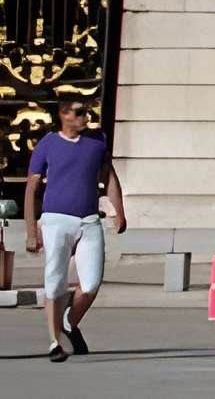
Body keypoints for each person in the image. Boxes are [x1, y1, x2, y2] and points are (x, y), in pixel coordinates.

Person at [23, 97, 128, 361]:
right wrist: (31, 231)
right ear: (64, 115)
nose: (86, 117)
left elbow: (109, 176)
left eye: (87, 112)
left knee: (91, 282)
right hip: (56, 219)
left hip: (89, 219)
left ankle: (69, 320)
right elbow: (32, 188)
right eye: (80, 113)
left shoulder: (97, 142)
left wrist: (119, 211)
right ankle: (54, 342)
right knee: (55, 280)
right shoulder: (47, 144)